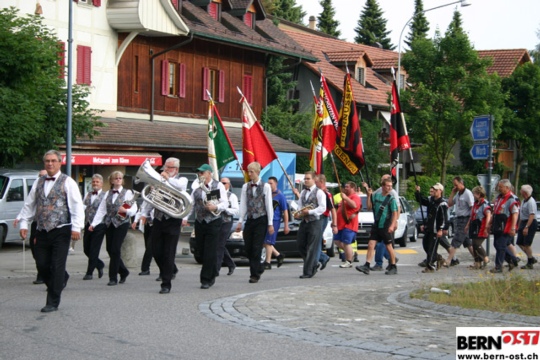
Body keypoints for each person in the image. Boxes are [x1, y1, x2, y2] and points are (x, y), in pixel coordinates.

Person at [17, 150, 84, 313]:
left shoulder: (68, 182)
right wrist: (23, 224)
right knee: (42, 264)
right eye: (47, 160)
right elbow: (29, 204)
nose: (50, 163)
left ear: (60, 162)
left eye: (53, 160)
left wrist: (76, 227)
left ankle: (52, 301)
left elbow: (76, 205)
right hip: (41, 230)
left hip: (61, 230)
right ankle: (60, 281)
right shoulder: (38, 182)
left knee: (57, 265)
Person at [141, 158, 187, 293]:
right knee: (155, 250)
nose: (166, 170)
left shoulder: (181, 180)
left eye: (170, 168)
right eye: (165, 167)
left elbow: (179, 187)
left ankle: (166, 284)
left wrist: (167, 179)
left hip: (173, 220)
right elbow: (151, 198)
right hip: (158, 219)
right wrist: (144, 213)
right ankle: (170, 269)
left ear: (176, 170)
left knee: (168, 252)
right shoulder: (159, 181)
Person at [89, 171, 138, 286]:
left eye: (120, 178)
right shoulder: (107, 194)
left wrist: (126, 211)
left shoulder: (128, 193)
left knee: (115, 249)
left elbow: (134, 208)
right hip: (109, 223)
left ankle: (113, 277)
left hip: (121, 223)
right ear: (111, 180)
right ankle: (124, 271)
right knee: (110, 249)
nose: (118, 180)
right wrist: (94, 223)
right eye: (116, 178)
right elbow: (102, 210)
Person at [235, 162, 274, 283]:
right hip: (250, 219)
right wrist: (240, 221)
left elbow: (269, 205)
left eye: (251, 171)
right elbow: (244, 204)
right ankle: (259, 267)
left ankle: (254, 274)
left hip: (261, 219)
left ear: (257, 172)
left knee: (257, 247)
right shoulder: (246, 186)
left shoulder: (266, 186)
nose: (249, 173)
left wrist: (270, 223)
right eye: (248, 171)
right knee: (248, 247)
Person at [191, 164, 228, 289]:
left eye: (202, 173)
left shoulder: (218, 185)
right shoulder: (196, 186)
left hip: (213, 221)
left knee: (210, 251)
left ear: (209, 173)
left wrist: (216, 207)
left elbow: (225, 203)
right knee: (200, 250)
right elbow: (192, 203)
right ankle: (212, 272)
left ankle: (206, 279)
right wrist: (184, 218)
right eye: (199, 173)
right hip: (200, 221)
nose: (200, 175)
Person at [356, 178, 398, 275]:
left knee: (388, 246)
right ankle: (367, 265)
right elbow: (369, 207)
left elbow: (395, 213)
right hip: (376, 224)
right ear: (383, 186)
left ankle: (393, 265)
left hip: (385, 225)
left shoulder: (391, 199)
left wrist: (392, 225)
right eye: (388, 186)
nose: (390, 188)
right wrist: (369, 195)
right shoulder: (376, 196)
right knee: (371, 244)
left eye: (391, 186)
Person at [294, 171, 326, 278]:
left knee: (312, 247)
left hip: (315, 221)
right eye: (305, 178)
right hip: (305, 221)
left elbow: (322, 208)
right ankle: (313, 264)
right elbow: (300, 205)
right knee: (300, 245)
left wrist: (310, 212)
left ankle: (308, 272)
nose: (306, 180)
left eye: (308, 178)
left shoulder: (319, 192)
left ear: (314, 180)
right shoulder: (303, 192)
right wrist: (298, 213)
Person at [415, 183, 449, 273]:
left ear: (440, 191)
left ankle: (430, 266)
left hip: (436, 229)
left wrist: (441, 229)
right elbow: (421, 201)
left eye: (436, 190)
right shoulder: (431, 200)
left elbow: (443, 218)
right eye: (433, 189)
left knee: (432, 247)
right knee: (425, 245)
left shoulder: (442, 204)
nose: (434, 191)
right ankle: (438, 258)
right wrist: (418, 192)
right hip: (429, 227)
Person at [488, 179, 520, 273]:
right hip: (497, 225)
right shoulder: (499, 197)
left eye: (501, 187)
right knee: (497, 244)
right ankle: (513, 260)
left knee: (501, 246)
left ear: (507, 187)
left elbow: (515, 214)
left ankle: (498, 266)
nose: (499, 188)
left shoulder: (512, 199)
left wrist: (513, 227)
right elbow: (494, 212)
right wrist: (490, 223)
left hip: (506, 226)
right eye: (499, 186)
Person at [445, 176, 474, 267]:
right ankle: (480, 259)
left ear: (461, 183)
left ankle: (448, 260)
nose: (455, 187)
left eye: (456, 185)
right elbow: (449, 204)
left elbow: (472, 208)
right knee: (468, 242)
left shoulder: (468, 193)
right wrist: (452, 193)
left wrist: (469, 222)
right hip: (458, 218)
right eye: (454, 185)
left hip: (465, 218)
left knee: (456, 240)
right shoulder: (458, 194)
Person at [82, 174, 106, 280]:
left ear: (101, 183)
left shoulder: (105, 195)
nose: (95, 184)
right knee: (86, 249)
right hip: (88, 224)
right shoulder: (87, 194)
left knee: (94, 249)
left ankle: (89, 272)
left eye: (97, 182)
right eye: (93, 182)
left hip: (100, 225)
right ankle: (99, 264)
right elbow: (83, 207)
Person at [263, 176, 289, 270]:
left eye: (271, 183)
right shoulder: (266, 194)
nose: (269, 185)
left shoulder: (280, 196)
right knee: (264, 241)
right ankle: (278, 255)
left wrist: (286, 225)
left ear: (276, 184)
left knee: (268, 241)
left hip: (275, 220)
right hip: (266, 219)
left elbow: (285, 211)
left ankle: (268, 262)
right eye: (268, 183)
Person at [333, 181, 361, 268]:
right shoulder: (344, 198)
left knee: (346, 242)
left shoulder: (354, 197)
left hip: (348, 224)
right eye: (345, 187)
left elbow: (354, 205)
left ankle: (348, 261)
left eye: (347, 187)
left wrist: (346, 198)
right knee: (337, 241)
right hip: (340, 224)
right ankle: (350, 253)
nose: (345, 188)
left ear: (353, 188)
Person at [465, 186, 491, 269]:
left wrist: (487, 227)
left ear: (479, 194)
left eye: (474, 194)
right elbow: (472, 216)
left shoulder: (485, 204)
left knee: (477, 244)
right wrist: (467, 225)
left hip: (481, 227)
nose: (473, 195)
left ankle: (485, 258)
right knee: (473, 244)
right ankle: (477, 263)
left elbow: (488, 215)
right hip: (474, 226)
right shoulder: (475, 204)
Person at [314, 174, 337, 270]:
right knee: (315, 240)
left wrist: (334, 224)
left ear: (322, 182)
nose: (315, 184)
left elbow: (332, 209)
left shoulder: (326, 194)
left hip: (323, 217)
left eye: (316, 182)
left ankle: (318, 259)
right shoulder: (317, 192)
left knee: (317, 240)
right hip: (316, 217)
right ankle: (322, 258)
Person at [216, 177, 238, 276]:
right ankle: (230, 264)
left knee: (220, 244)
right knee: (217, 244)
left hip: (226, 221)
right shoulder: (215, 193)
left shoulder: (232, 196)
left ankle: (216, 268)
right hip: (215, 222)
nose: (222, 185)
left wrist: (225, 209)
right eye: (221, 183)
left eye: (224, 183)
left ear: (228, 185)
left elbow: (236, 210)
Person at [516, 185, 537, 269]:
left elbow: (532, 215)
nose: (520, 191)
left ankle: (530, 262)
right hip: (523, 222)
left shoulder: (531, 202)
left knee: (527, 243)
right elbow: (522, 214)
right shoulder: (524, 200)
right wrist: (519, 225)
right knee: (519, 242)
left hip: (530, 223)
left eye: (521, 190)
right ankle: (531, 258)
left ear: (524, 192)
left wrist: (527, 227)